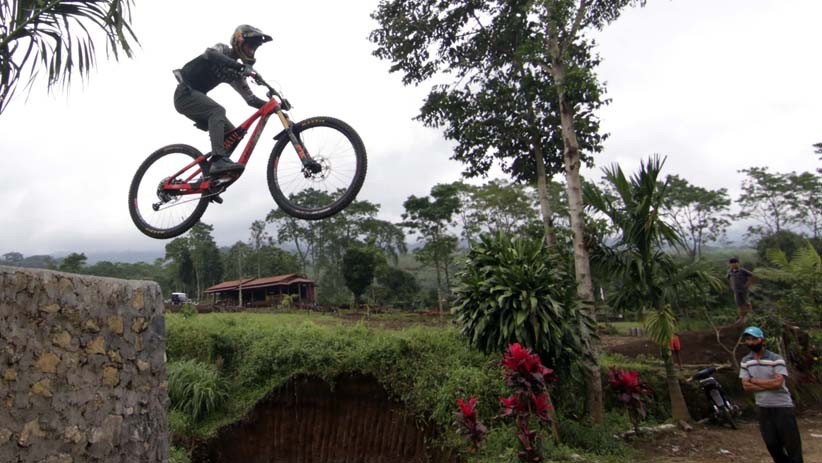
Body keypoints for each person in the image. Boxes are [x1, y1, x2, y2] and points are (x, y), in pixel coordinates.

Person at [173, 25, 272, 176]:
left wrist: (274, 106)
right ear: (239, 41)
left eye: (255, 47)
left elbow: (250, 100)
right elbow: (210, 53)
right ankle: (218, 159)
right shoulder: (223, 50)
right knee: (217, 111)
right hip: (185, 94)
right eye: (250, 45)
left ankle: (210, 178)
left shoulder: (236, 74)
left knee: (235, 134)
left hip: (196, 99)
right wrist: (238, 66)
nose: (252, 50)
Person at [739, 326, 804, 463]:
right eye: (748, 339)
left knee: (791, 444)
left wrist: (754, 380)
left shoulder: (776, 359)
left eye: (754, 339)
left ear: (762, 340)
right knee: (772, 443)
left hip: (782, 406)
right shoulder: (746, 361)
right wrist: (766, 383)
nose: (751, 342)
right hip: (763, 407)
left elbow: (777, 384)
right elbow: (746, 386)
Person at [727, 257, 757, 324]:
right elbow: (729, 278)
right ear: (730, 264)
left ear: (738, 263)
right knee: (739, 305)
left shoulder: (742, 270)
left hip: (744, 290)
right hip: (736, 291)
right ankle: (741, 318)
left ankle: (751, 316)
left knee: (747, 302)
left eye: (735, 263)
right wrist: (731, 286)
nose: (733, 265)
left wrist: (748, 284)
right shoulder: (730, 271)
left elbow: (753, 276)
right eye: (732, 263)